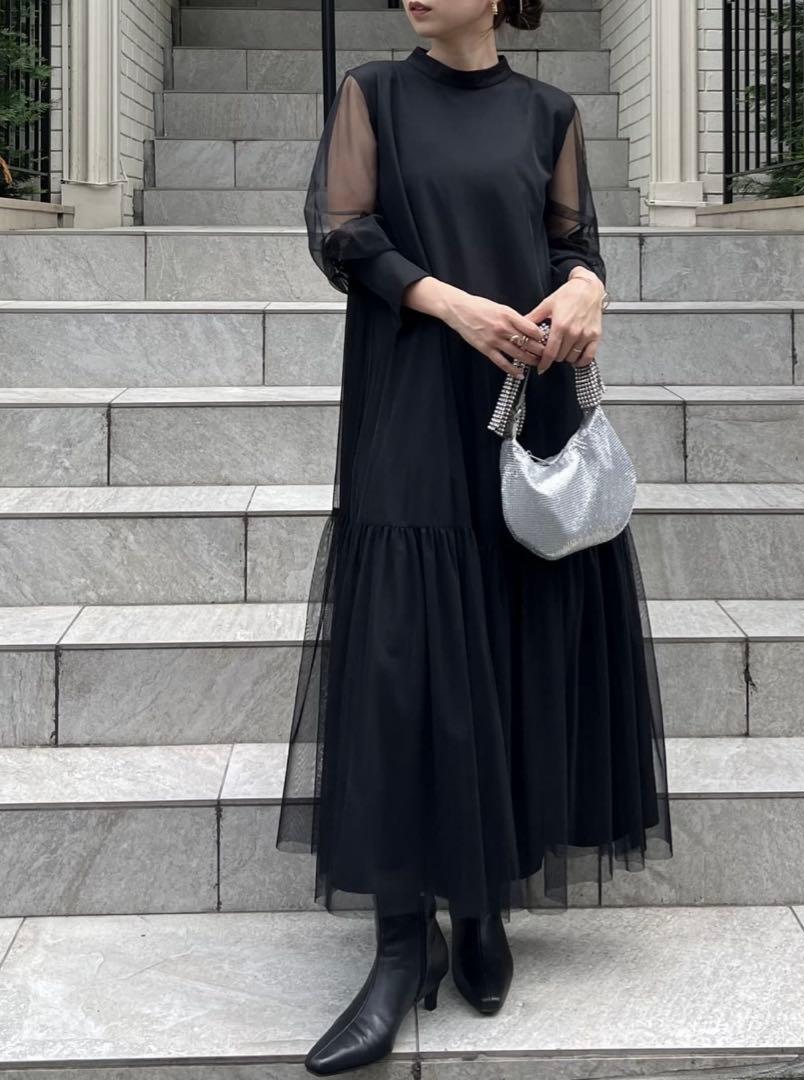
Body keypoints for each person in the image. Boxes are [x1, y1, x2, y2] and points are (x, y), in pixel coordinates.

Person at [276, 0, 673, 1072]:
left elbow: (572, 245)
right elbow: (343, 233)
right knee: (404, 654)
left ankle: (484, 902)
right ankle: (400, 944)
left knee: (507, 637)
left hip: (525, 406)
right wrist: (450, 303)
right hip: (412, 398)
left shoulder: (549, 112)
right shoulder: (373, 93)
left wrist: (586, 287)